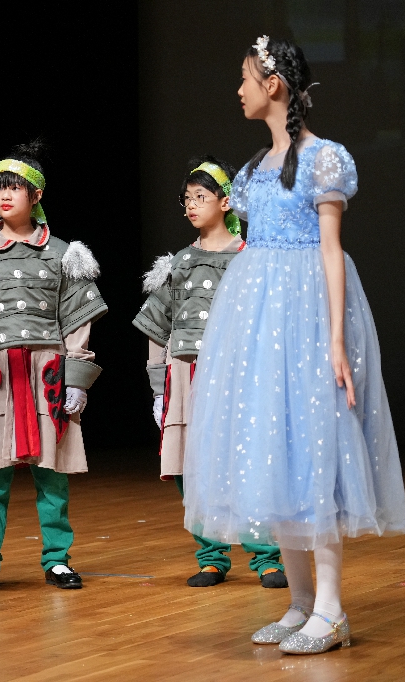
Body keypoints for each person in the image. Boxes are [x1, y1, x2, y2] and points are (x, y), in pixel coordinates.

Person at [182, 37, 405, 654]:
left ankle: (331, 610)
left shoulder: (324, 158)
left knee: (315, 449)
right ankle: (301, 602)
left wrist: (335, 338)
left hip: (309, 316)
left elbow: (331, 251)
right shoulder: (254, 168)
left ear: (273, 83)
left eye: (246, 78)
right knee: (275, 450)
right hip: (261, 320)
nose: (240, 90)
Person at [0, 141, 107, 592]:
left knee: (52, 472)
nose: (5, 196)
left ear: (37, 196)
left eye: (15, 188)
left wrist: (76, 377)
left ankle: (57, 558)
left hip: (45, 371)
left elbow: (77, 320)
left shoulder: (64, 254)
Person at [134, 154, 287, 589]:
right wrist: (158, 386)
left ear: (226, 202)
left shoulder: (250, 257)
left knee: (246, 463)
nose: (191, 205)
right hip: (185, 374)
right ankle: (211, 555)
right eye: (186, 199)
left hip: (235, 374)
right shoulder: (179, 262)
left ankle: (266, 556)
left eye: (200, 197)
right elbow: (157, 327)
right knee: (190, 465)